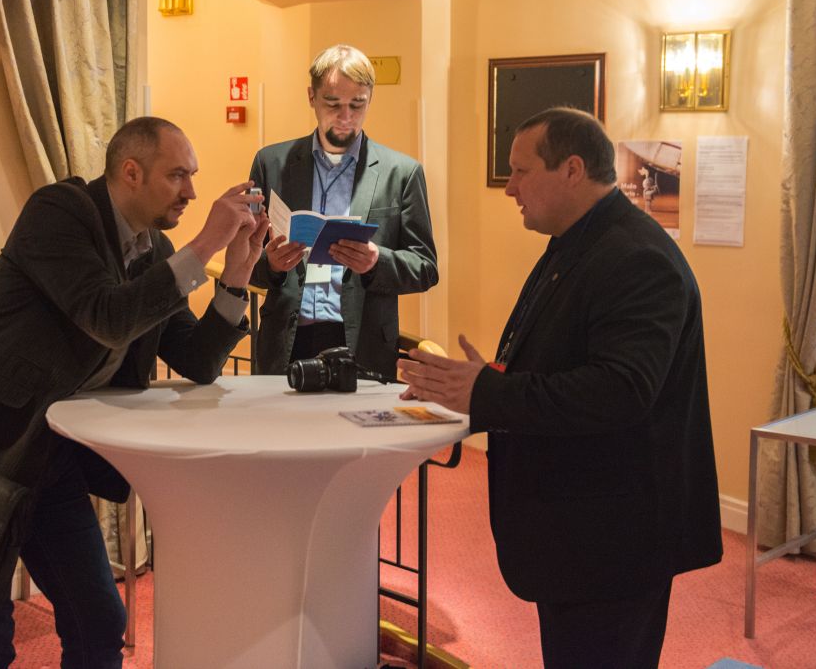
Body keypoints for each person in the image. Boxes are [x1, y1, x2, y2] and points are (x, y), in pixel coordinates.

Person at [0, 116, 268, 669]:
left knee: (99, 621)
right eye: (177, 176)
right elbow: (107, 317)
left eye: (192, 176)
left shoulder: (154, 251)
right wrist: (206, 244)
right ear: (131, 172)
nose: (192, 193)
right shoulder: (59, 212)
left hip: (49, 454)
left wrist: (236, 276)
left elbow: (197, 360)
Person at [396, 107, 721, 668]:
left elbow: (620, 391)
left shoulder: (637, 258)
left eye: (521, 171)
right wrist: (481, 385)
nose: (510, 188)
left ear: (572, 170)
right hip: (582, 532)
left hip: (615, 538)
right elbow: (568, 364)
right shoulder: (582, 241)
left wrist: (486, 393)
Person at [248, 43, 438, 380]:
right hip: (287, 340)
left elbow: (425, 268)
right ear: (311, 97)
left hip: (362, 342)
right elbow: (245, 263)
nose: (345, 116)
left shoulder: (402, 172)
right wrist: (272, 264)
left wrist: (376, 261)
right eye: (333, 104)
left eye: (357, 104)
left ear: (370, 99)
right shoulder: (271, 163)